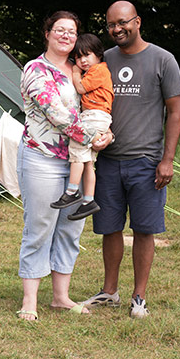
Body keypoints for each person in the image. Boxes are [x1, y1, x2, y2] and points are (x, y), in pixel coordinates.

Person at [82, 0, 180, 319]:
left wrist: (167, 159)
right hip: (108, 161)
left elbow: (175, 110)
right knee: (109, 229)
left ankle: (138, 296)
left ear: (137, 22)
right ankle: (109, 291)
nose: (117, 29)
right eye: (111, 25)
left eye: (123, 22)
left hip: (146, 161)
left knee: (144, 229)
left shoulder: (162, 60)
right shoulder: (104, 59)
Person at [16, 11, 110, 321]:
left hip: (78, 161)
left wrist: (107, 133)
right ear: (47, 33)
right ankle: (30, 300)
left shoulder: (82, 70)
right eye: (60, 30)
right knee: (40, 226)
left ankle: (60, 297)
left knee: (71, 228)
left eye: (71, 31)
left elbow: (97, 106)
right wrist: (91, 136)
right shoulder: (35, 70)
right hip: (42, 158)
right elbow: (55, 112)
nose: (66, 36)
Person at [50, 34, 114, 221]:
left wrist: (76, 72)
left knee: (77, 151)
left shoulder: (99, 71)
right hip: (96, 116)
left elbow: (81, 88)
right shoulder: (97, 70)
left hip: (94, 116)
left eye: (87, 55)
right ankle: (88, 200)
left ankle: (72, 192)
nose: (82, 60)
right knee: (87, 162)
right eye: (78, 57)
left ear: (99, 54)